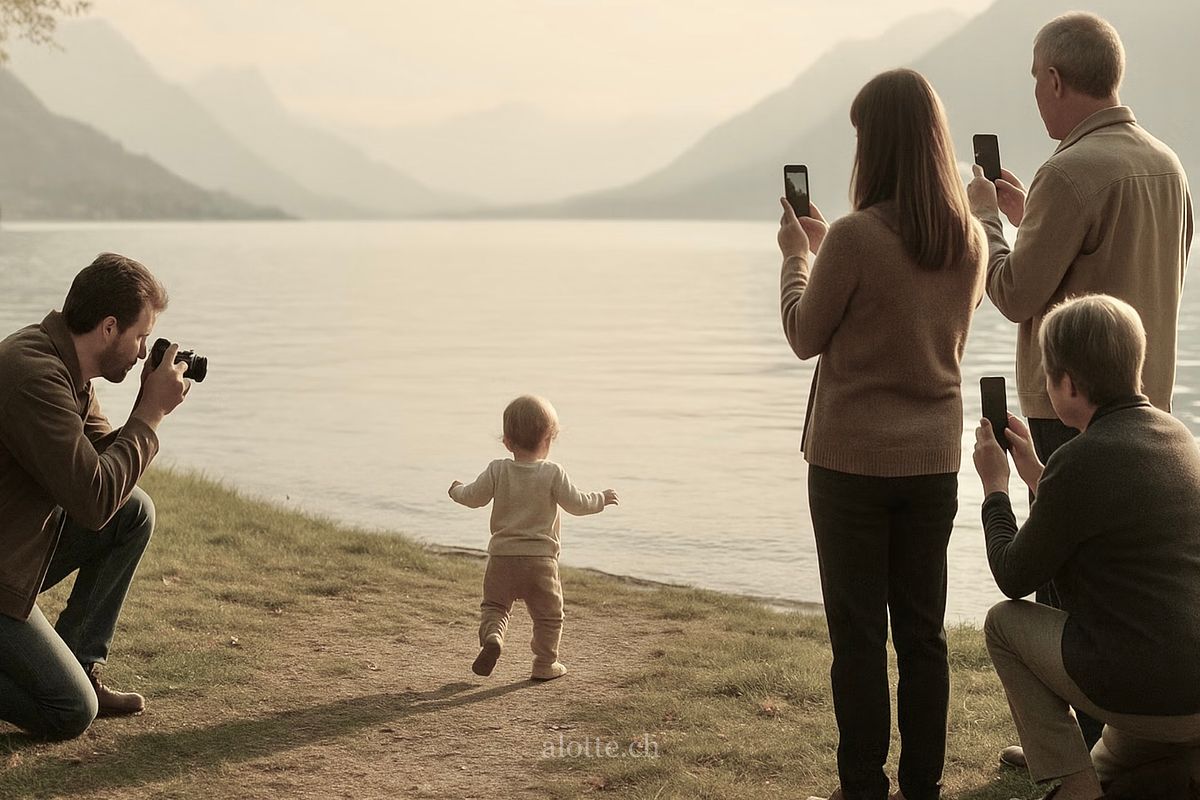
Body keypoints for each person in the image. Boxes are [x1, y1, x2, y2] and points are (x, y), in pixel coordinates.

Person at [966, 11, 1192, 757]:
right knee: (1120, 579)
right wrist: (1034, 219)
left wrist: (990, 228)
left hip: (1071, 404)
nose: (1037, 93)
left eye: (1037, 79)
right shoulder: (1168, 164)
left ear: (1056, 79)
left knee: (1064, 583)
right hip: (1146, 401)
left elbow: (1016, 294)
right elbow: (1112, 261)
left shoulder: (1067, 170)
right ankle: (1124, 742)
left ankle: (1079, 748)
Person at [778, 68, 986, 800]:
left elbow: (807, 334)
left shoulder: (857, 236)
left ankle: (862, 785)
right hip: (933, 463)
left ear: (879, 143)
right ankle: (922, 787)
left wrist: (797, 255)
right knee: (924, 636)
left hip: (850, 465)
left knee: (859, 639)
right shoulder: (969, 239)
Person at [972, 295, 1200, 800]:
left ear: (1069, 384)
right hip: (1193, 688)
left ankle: (1075, 786)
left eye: (1048, 377)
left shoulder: (1081, 460)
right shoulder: (1178, 436)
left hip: (1141, 690)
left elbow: (1013, 574)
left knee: (1003, 623)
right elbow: (1088, 511)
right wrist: (1039, 472)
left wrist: (995, 489)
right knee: (1120, 761)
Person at [0, 253, 190, 740]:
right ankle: (69, 687)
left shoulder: (67, 368)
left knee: (133, 512)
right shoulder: (34, 375)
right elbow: (91, 499)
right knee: (68, 712)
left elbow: (104, 470)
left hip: (11, 553)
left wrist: (144, 404)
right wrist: (150, 417)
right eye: (142, 336)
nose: (145, 350)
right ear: (109, 328)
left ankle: (82, 662)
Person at [448, 395, 618, 682]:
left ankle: (493, 636)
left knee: (495, 607)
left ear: (507, 442)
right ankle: (544, 663)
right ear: (550, 439)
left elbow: (473, 497)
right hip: (541, 562)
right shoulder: (553, 472)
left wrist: (455, 490)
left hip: (502, 559)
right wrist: (600, 499)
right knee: (549, 616)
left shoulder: (497, 469)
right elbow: (577, 504)